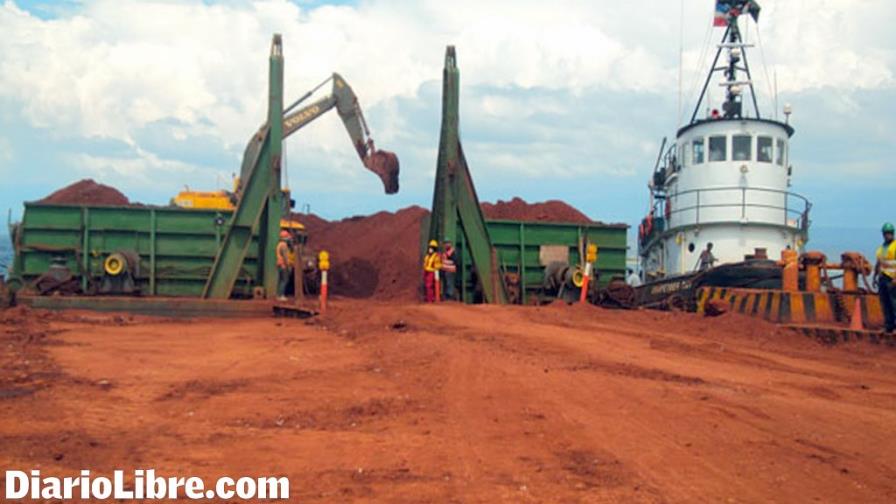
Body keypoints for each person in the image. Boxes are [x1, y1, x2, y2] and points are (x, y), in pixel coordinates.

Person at [875, 222, 896, 333]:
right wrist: (874, 276)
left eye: (889, 233)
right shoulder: (881, 248)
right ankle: (889, 326)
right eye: (886, 233)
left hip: (892, 279)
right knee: (885, 302)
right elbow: (878, 263)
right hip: (882, 278)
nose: (887, 235)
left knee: (894, 302)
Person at [276, 230, 292, 301]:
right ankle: (281, 295)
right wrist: (288, 265)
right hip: (283, 265)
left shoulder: (279, 244)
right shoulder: (284, 245)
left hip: (279, 264)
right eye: (288, 236)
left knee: (280, 280)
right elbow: (285, 257)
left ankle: (279, 295)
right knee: (284, 280)